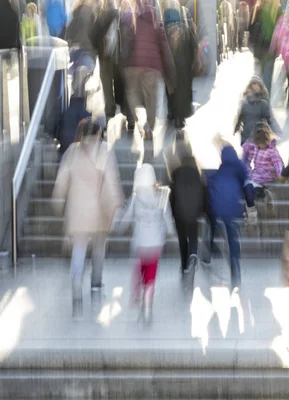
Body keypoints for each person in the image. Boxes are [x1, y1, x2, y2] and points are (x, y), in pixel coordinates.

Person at [52, 118, 124, 319]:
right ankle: (95, 283)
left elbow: (61, 180)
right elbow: (111, 181)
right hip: (99, 211)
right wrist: (117, 205)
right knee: (99, 248)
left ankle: (76, 281)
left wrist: (58, 200)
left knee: (79, 247)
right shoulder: (104, 152)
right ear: (99, 134)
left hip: (77, 211)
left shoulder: (72, 152)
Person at [112, 164, 176, 323]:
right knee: (151, 274)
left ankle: (136, 296)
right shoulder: (161, 196)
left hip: (140, 241)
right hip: (156, 243)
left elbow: (126, 217)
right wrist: (170, 231)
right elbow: (167, 218)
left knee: (138, 269)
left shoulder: (136, 197)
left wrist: (119, 227)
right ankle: (147, 304)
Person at [121, 0, 176, 146]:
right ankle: (149, 127)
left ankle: (140, 121)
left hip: (133, 66)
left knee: (132, 93)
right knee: (152, 99)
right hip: (152, 67)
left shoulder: (131, 19)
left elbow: (126, 42)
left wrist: (122, 64)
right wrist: (170, 74)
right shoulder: (155, 21)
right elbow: (164, 46)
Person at [203, 142, 257, 290]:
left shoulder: (221, 169)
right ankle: (234, 264)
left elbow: (212, 185)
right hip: (233, 209)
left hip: (217, 209)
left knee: (213, 224)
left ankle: (209, 249)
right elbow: (248, 187)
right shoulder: (240, 168)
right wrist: (250, 205)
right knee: (233, 237)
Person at [91, 0, 135, 131]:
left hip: (105, 58)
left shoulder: (100, 17)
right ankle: (130, 118)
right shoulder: (122, 16)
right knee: (125, 86)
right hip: (121, 57)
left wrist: (99, 50)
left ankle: (109, 115)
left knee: (107, 87)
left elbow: (93, 37)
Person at [167, 136, 208, 274]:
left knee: (182, 238)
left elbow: (172, 195)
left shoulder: (176, 173)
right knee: (193, 235)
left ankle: (184, 265)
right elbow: (203, 192)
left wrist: (172, 212)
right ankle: (193, 254)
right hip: (193, 211)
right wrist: (202, 210)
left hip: (179, 212)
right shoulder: (197, 174)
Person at [163, 4, 197, 129]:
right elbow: (195, 45)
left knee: (170, 91)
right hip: (186, 67)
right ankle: (180, 117)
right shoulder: (186, 29)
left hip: (169, 68)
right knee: (185, 91)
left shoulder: (164, 32)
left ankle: (172, 113)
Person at [242, 121, 284, 216]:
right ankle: (256, 203)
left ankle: (265, 195)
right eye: (258, 144)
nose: (260, 146)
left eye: (262, 144)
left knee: (252, 189)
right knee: (247, 188)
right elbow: (245, 154)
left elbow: (278, 164)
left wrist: (281, 175)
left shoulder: (272, 151)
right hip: (256, 175)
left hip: (267, 177)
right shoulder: (253, 145)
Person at [66, 0, 99, 98]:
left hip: (80, 51)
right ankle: (78, 101)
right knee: (81, 74)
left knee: (79, 75)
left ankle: (78, 100)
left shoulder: (76, 13)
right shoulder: (91, 14)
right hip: (86, 51)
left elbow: (69, 33)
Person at [234, 76, 281, 144]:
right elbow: (240, 117)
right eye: (253, 85)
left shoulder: (263, 104)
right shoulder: (245, 103)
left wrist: (277, 131)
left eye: (257, 85)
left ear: (261, 87)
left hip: (259, 137)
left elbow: (270, 119)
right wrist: (236, 128)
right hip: (246, 136)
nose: (255, 87)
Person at [248, 0, 281, 94]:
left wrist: (252, 47)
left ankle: (257, 100)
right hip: (271, 49)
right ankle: (265, 101)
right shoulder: (277, 10)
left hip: (258, 50)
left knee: (258, 76)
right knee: (267, 78)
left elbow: (250, 30)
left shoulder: (256, 10)